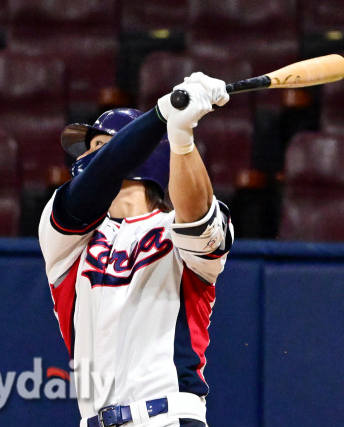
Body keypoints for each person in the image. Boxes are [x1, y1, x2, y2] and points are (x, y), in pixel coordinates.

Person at [38, 73, 234, 427]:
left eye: (99, 146)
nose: (89, 158)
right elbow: (100, 179)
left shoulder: (175, 226)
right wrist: (162, 113)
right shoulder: (65, 240)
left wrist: (181, 136)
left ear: (144, 154)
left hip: (169, 417)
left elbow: (197, 219)